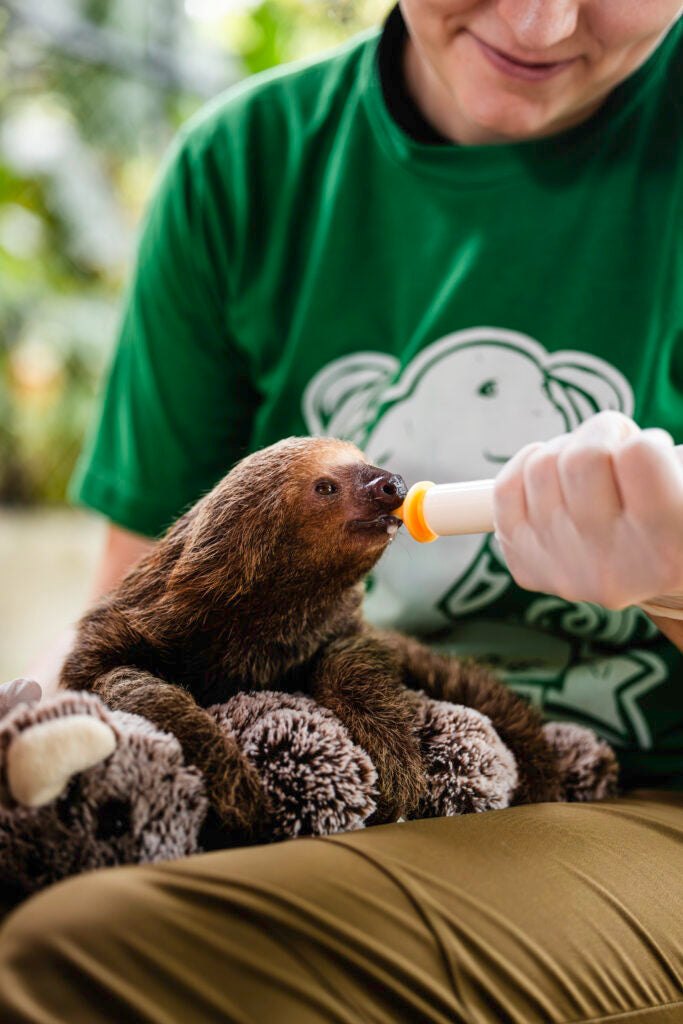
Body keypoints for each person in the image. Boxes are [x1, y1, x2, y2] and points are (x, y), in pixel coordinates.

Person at [1, 2, 682, 1020]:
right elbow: (132, 616)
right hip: (303, 770)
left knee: (86, 953)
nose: (539, 23)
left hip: (634, 798)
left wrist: (673, 584)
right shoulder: (245, 167)